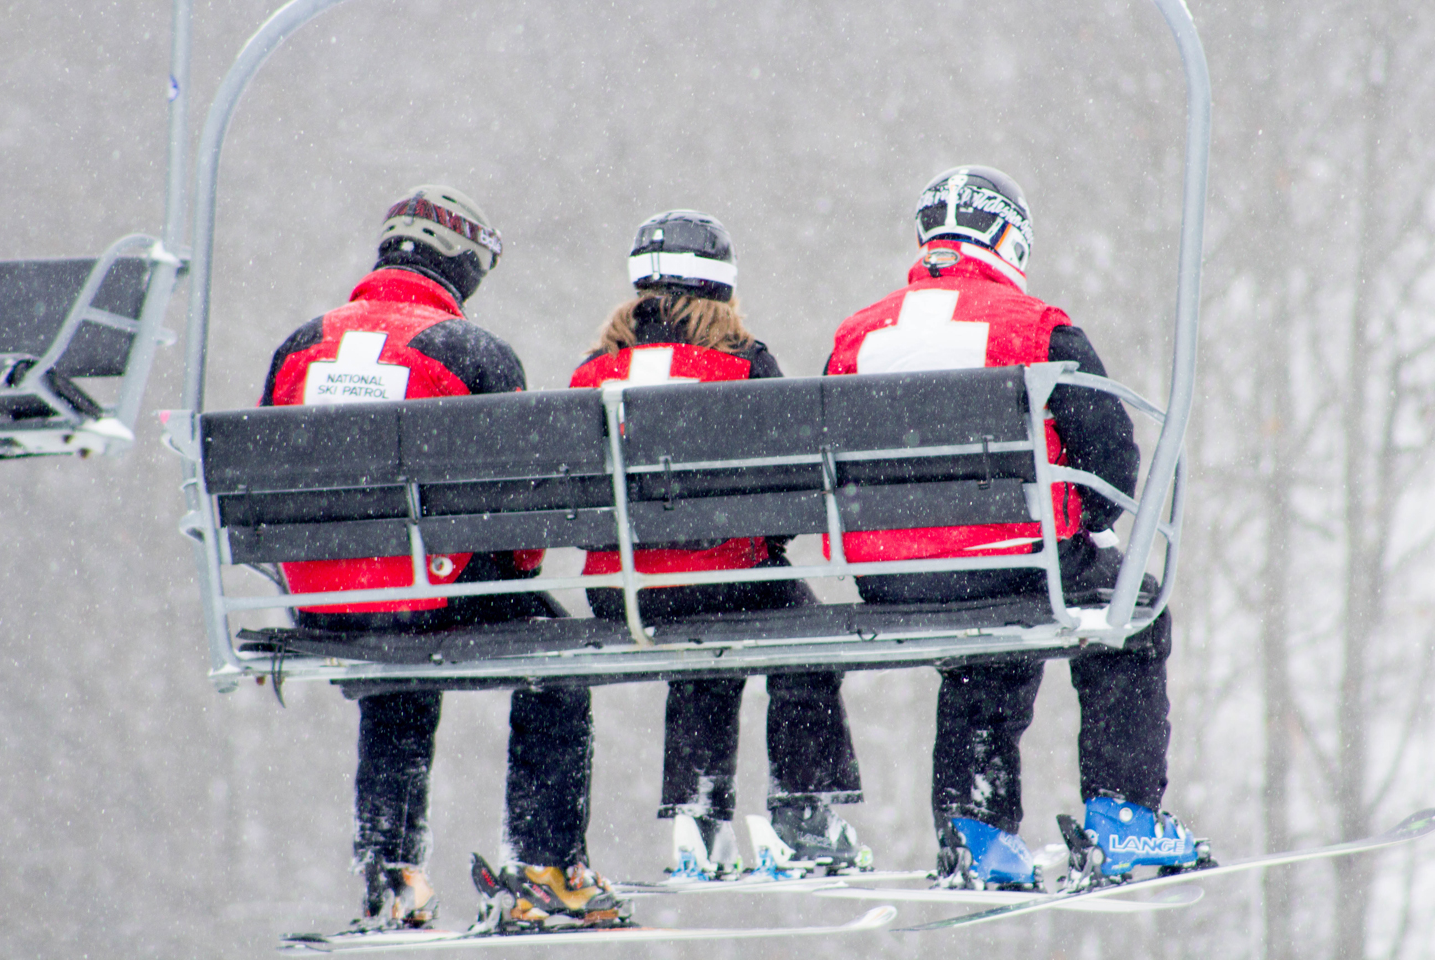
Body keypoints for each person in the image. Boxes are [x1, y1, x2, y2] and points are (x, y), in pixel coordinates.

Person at [261, 186, 629, 929]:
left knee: (394, 662)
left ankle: (390, 873)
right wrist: (514, 574)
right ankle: (546, 863)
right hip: (432, 587)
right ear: (458, 267)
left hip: (326, 599)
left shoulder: (300, 346)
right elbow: (521, 513)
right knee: (556, 669)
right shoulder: (471, 352)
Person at [825, 167, 1201, 888]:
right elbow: (1110, 452)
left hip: (893, 579)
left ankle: (977, 829)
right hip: (1013, 557)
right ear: (1009, 238)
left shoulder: (856, 336)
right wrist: (1084, 526)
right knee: (1132, 611)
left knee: (986, 647)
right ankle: (1124, 816)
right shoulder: (1036, 327)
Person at [569, 210, 869, 877]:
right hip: (727, 574)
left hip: (624, 591)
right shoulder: (742, 363)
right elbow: (793, 480)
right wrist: (759, 540)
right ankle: (802, 813)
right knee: (805, 638)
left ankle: (698, 822)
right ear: (723, 286)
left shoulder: (594, 372)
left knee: (699, 644)